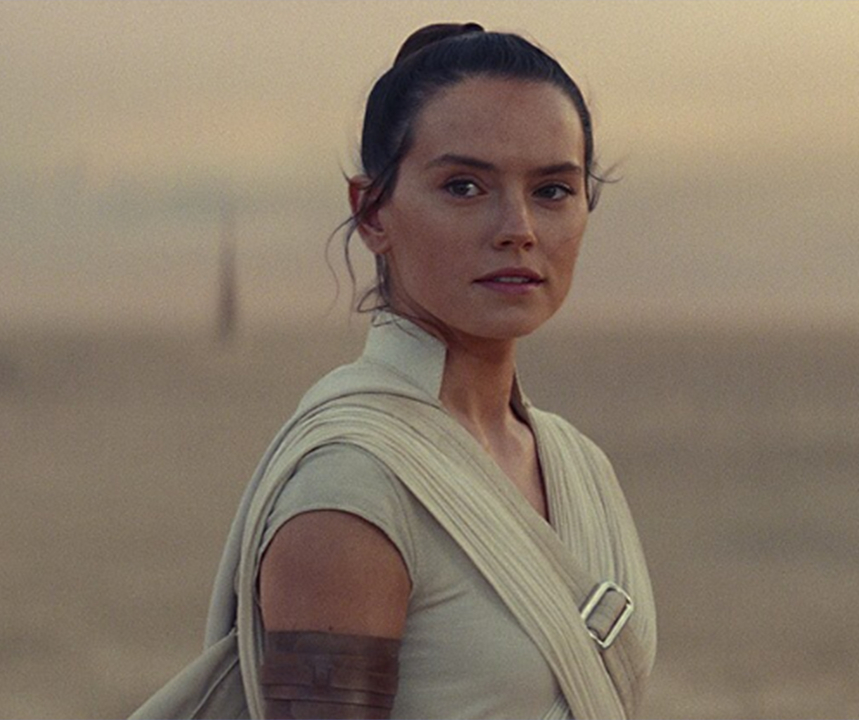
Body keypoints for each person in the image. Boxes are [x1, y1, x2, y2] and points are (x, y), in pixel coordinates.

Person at [134, 22, 655, 720]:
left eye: (554, 190)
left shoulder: (579, 465)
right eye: (465, 185)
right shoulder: (351, 489)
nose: (518, 227)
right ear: (372, 212)